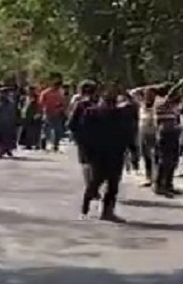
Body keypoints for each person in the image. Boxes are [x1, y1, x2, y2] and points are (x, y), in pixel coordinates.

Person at [74, 84, 131, 221]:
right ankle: (106, 211)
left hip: (97, 152)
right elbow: (127, 134)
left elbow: (82, 132)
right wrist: (129, 150)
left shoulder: (91, 112)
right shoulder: (120, 114)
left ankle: (86, 209)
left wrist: (85, 149)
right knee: (111, 183)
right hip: (114, 152)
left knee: (96, 181)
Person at [39, 74, 67, 152]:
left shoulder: (60, 93)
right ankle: (43, 144)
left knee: (58, 130)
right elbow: (41, 102)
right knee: (46, 130)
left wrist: (61, 109)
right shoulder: (46, 92)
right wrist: (44, 109)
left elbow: (63, 103)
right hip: (48, 113)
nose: (57, 87)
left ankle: (56, 145)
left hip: (57, 113)